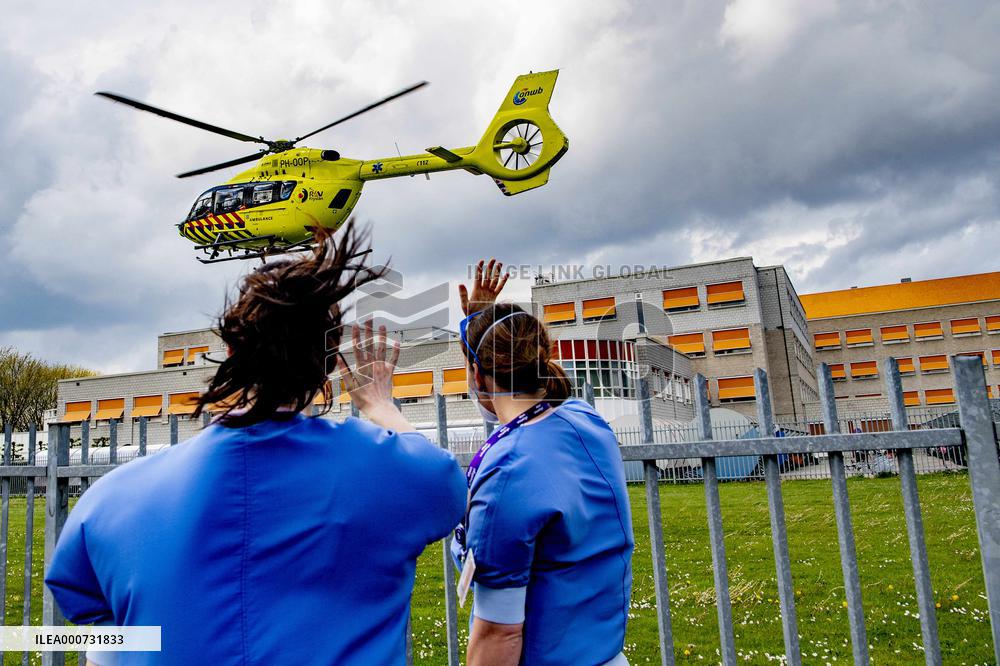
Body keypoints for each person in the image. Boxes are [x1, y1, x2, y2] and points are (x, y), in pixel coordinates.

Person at [44, 222, 467, 665]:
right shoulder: (391, 472)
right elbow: (443, 482)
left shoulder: (111, 499)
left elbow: (102, 639)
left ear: (231, 353)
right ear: (328, 364)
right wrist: (381, 405)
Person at [456, 259, 635, 666]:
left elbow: (499, 633)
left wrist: (478, 336)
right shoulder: (584, 420)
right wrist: (480, 328)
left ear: (479, 377)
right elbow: (514, 415)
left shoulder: (508, 471)